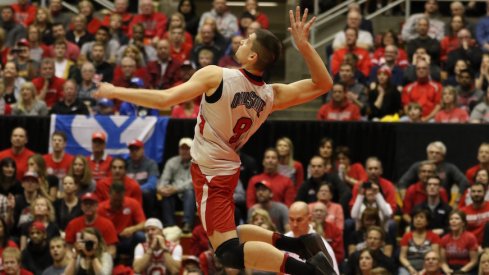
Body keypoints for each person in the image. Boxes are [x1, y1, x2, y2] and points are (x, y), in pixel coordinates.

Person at [95, 7, 336, 275]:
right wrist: (303, 46)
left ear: (253, 56)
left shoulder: (216, 75)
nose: (241, 42)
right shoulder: (271, 95)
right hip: (226, 169)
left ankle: (308, 269)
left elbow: (163, 100)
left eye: (246, 41)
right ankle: (300, 245)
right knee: (228, 233)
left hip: (211, 172)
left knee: (228, 253)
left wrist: (115, 90)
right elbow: (323, 84)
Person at [285, 202, 339, 274]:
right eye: (291, 219)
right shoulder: (284, 240)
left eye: (299, 220)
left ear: (309, 219)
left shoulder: (322, 247)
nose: (295, 224)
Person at [158, 137, 196, 233]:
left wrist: (176, 188)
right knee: (166, 195)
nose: (184, 151)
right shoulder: (171, 162)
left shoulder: (198, 162)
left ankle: (188, 224)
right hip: (174, 195)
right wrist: (162, 189)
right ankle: (170, 226)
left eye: (187, 149)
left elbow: (194, 181)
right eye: (182, 148)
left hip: (192, 198)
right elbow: (164, 179)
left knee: (190, 192)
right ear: (179, 150)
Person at [64, 193, 118, 257]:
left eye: (91, 204)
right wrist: (73, 258)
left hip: (100, 259)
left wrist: (103, 259)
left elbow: (112, 249)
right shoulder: (73, 224)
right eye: (85, 204)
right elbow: (68, 248)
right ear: (81, 206)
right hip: (78, 259)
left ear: (97, 206)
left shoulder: (107, 224)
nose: (88, 206)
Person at [398, 208, 440, 275]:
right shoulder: (407, 236)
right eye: (416, 217)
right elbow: (402, 257)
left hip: (428, 267)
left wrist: (424, 271)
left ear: (427, 221)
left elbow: (436, 256)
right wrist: (411, 269)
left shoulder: (434, 236)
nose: (418, 220)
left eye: (421, 217)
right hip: (408, 268)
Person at [440, 210, 478, 275]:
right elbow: (443, 262)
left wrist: (461, 271)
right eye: (451, 219)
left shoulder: (470, 237)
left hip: (466, 269)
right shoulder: (444, 239)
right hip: (450, 269)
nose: (453, 221)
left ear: (463, 223)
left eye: (457, 219)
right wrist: (447, 270)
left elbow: (474, 261)